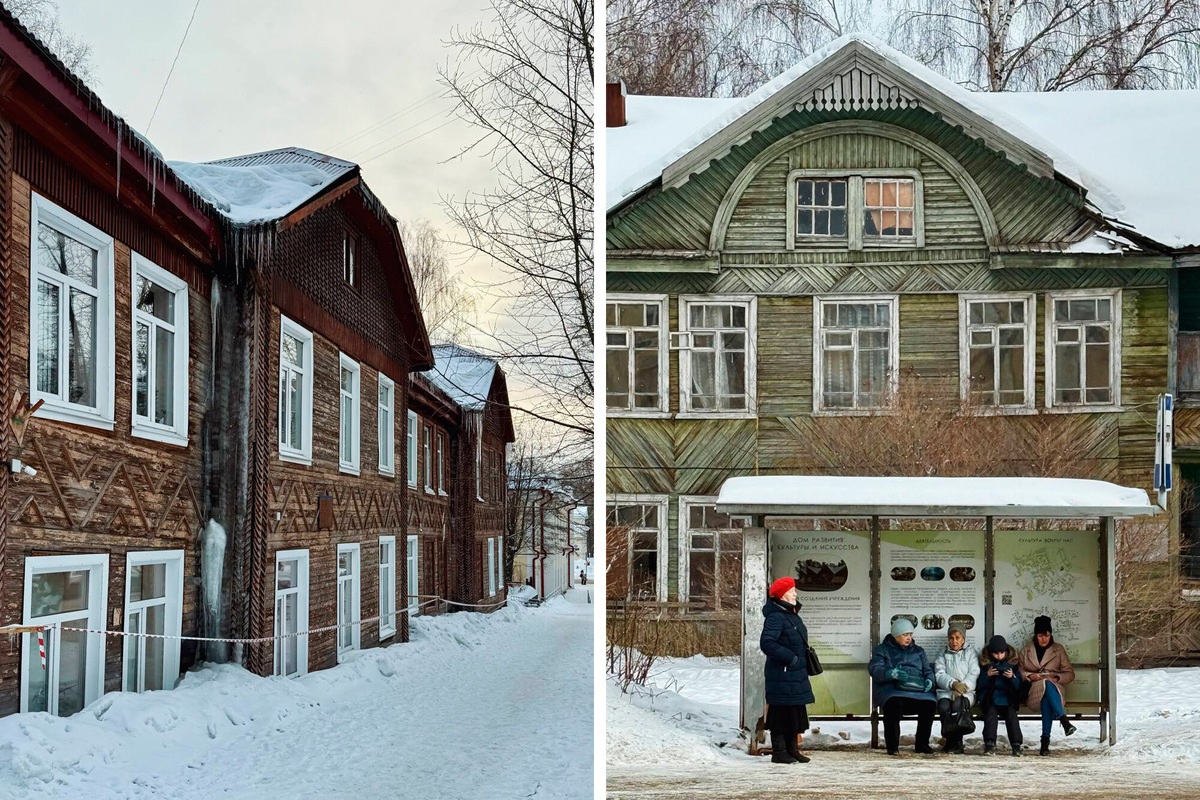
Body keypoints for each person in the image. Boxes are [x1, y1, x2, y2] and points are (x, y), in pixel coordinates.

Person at [759, 576, 814, 764]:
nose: (795, 594)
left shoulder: (790, 614)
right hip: (782, 673)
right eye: (792, 591)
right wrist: (791, 658)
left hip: (794, 673)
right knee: (781, 713)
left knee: (794, 712)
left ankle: (792, 750)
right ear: (782, 595)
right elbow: (767, 643)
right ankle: (779, 752)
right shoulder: (776, 617)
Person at [868, 618, 937, 756]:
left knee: (929, 704)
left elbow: (927, 670)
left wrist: (930, 679)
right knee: (893, 705)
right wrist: (890, 673)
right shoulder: (882, 650)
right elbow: (875, 670)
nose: (909, 638)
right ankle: (892, 746)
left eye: (910, 634)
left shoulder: (919, 651)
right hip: (893, 690)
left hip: (917, 690)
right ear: (895, 635)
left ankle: (922, 744)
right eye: (905, 635)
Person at [1018, 615, 1077, 756]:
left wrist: (1057, 677)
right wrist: (1029, 676)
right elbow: (1018, 672)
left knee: (1047, 694)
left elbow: (1070, 673)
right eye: (1040, 636)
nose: (1044, 639)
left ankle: (1045, 741)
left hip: (1054, 690)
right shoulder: (1026, 650)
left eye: (1047, 635)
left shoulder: (1058, 649)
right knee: (1045, 685)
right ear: (1035, 636)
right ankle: (1063, 720)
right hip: (1033, 691)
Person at [934, 623, 979, 755]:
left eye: (957, 638)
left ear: (963, 639)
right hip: (946, 690)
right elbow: (939, 673)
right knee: (943, 707)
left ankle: (957, 742)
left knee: (957, 706)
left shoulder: (970, 653)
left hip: (966, 692)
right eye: (951, 638)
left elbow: (974, 673)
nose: (954, 641)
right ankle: (949, 740)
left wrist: (961, 688)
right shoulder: (943, 653)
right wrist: (953, 684)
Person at [976, 634, 1024, 756]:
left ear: (1006, 652)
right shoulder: (985, 664)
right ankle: (990, 743)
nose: (999, 656)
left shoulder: (1012, 664)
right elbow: (979, 685)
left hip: (1007, 698)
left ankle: (1016, 745)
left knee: (1012, 716)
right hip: (990, 698)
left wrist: (1012, 677)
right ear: (991, 653)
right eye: (996, 653)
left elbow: (1018, 684)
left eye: (1002, 653)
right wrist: (987, 676)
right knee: (990, 715)